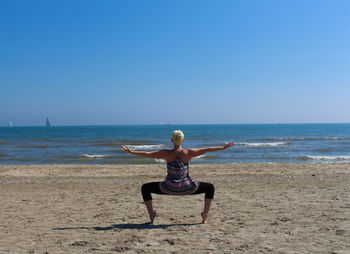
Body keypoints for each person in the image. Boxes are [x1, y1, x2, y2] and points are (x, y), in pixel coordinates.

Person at [121, 130, 235, 224]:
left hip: (168, 188)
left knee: (145, 188)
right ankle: (205, 214)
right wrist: (223, 148)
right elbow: (207, 149)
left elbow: (148, 154)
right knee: (210, 187)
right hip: (188, 188)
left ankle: (151, 214)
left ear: (171, 140)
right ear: (183, 140)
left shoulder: (166, 153)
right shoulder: (188, 153)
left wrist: (132, 152)